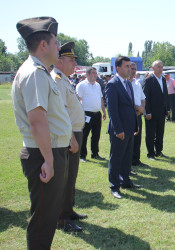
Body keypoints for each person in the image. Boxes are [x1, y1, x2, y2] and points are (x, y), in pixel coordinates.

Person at [12, 16, 72, 249]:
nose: (59, 47)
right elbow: (37, 121)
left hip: (48, 152)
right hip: (43, 154)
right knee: (43, 220)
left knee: (47, 217)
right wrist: (48, 160)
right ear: (43, 45)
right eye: (55, 42)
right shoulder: (35, 73)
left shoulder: (40, 71)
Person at [51, 42, 87, 232]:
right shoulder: (57, 79)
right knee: (65, 177)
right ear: (60, 61)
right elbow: (62, 112)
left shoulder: (64, 79)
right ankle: (62, 218)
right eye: (71, 60)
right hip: (69, 134)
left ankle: (68, 209)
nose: (75, 64)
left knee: (71, 175)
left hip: (75, 132)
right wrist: (72, 138)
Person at [106, 56, 141, 199]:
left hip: (130, 128)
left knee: (127, 157)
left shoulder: (128, 83)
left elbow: (132, 107)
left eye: (130, 66)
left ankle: (125, 181)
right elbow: (112, 110)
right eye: (127, 66)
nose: (130, 69)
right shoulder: (112, 84)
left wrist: (135, 125)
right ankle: (114, 186)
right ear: (118, 68)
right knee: (116, 158)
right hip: (119, 130)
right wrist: (118, 129)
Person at [76, 67, 107, 162]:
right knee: (84, 135)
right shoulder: (81, 85)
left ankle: (95, 153)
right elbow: (77, 99)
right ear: (87, 74)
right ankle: (82, 155)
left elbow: (101, 99)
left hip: (97, 113)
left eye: (96, 73)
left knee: (96, 135)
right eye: (93, 73)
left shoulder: (97, 85)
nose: (95, 75)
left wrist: (104, 111)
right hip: (86, 114)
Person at [143, 60, 169, 160]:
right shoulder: (148, 79)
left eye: (162, 67)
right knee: (150, 133)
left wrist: (167, 109)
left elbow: (165, 96)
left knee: (160, 132)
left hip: (161, 111)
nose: (161, 68)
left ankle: (159, 151)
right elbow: (145, 97)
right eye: (158, 67)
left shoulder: (163, 79)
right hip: (151, 112)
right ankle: (150, 153)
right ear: (153, 68)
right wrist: (147, 112)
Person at [129, 62, 147, 168]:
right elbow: (127, 100)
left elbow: (143, 98)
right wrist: (137, 107)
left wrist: (142, 109)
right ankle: (128, 161)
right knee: (129, 139)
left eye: (134, 69)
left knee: (137, 138)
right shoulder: (125, 83)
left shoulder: (137, 83)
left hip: (138, 114)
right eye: (131, 68)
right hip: (129, 115)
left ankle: (136, 160)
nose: (133, 70)